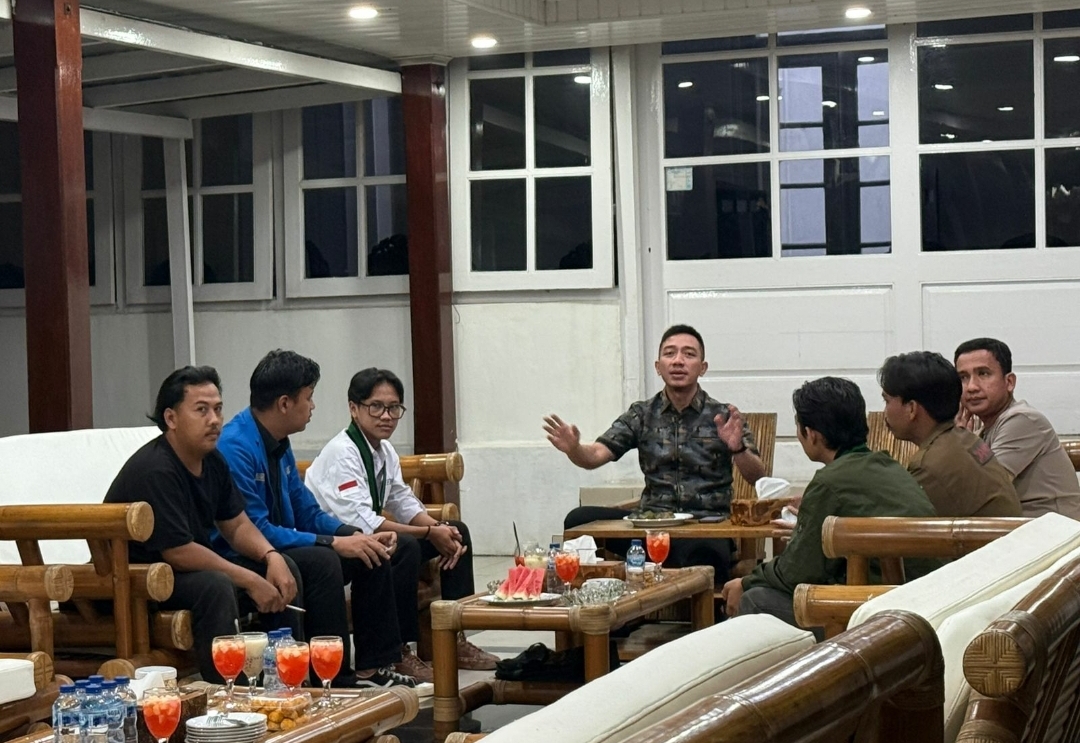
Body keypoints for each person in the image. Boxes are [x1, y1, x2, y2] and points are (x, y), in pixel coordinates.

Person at [215, 350, 417, 689]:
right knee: (322, 561)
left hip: (280, 543)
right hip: (244, 552)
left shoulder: (279, 441)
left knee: (371, 551)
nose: (313, 406)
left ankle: (373, 667)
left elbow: (305, 510)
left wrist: (351, 534)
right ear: (284, 403)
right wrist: (333, 543)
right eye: (308, 397)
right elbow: (254, 530)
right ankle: (334, 678)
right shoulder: (236, 446)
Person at [104, 366, 300, 683]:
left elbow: (236, 525)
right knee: (215, 586)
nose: (214, 420)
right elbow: (178, 552)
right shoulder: (156, 469)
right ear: (171, 418)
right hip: (138, 582)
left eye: (218, 409)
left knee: (282, 569)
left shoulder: (213, 460)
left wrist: (271, 556)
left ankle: (287, 681)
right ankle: (227, 691)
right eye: (201, 410)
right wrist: (250, 579)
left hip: (177, 574)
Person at [305, 368, 500, 672]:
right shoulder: (342, 452)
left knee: (456, 531)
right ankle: (397, 651)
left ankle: (454, 638)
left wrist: (438, 530)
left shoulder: (384, 451)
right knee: (404, 547)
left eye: (394, 408)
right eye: (376, 407)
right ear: (354, 408)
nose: (387, 416)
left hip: (368, 539)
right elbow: (365, 523)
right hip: (335, 545)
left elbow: (403, 501)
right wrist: (428, 532)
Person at [546, 324, 766, 583]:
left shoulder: (723, 416)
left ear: (702, 367)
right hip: (649, 525)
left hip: (705, 527)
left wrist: (737, 448)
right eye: (670, 353)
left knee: (706, 557)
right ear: (658, 366)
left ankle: (692, 603)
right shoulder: (641, 414)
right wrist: (574, 449)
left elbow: (758, 476)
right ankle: (605, 600)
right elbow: (594, 456)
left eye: (689, 354)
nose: (678, 361)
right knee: (578, 520)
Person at [720, 377, 940, 635]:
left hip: (882, 616)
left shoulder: (829, 482)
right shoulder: (888, 465)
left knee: (755, 599)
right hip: (924, 602)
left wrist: (745, 582)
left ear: (811, 434)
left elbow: (796, 573)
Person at [878, 351, 1021, 518]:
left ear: (912, 409)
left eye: (887, 401)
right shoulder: (965, 439)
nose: (885, 411)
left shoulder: (929, 466)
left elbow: (899, 524)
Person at [954, 338, 1080, 519]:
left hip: (1056, 532)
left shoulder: (1022, 420)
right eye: (963, 378)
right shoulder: (983, 431)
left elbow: (984, 491)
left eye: (983, 374)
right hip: (1021, 529)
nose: (972, 387)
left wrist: (962, 441)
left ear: (1009, 382)